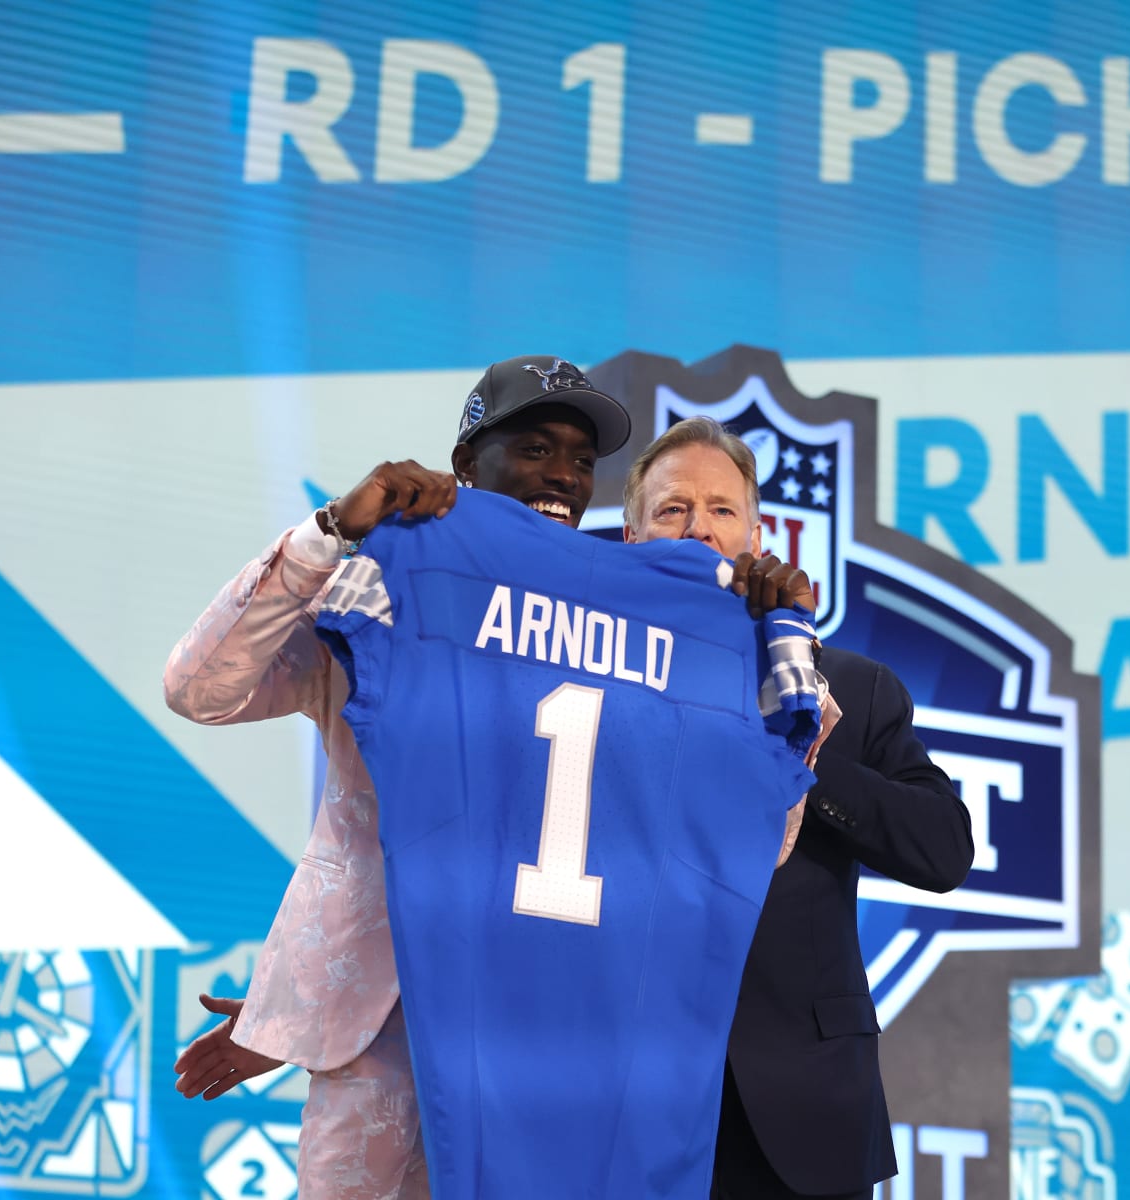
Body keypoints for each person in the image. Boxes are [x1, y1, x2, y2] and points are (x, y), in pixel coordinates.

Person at [166, 358, 815, 1200]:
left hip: (550, 1028)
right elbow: (200, 689)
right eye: (535, 449)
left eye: (582, 460)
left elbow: (757, 843)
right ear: (466, 464)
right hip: (382, 1020)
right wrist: (327, 531)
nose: (563, 476)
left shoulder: (645, 642)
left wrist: (774, 652)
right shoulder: (399, 581)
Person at [620, 417, 975, 1200]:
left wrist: (792, 744)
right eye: (673, 508)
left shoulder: (853, 687)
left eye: (720, 509)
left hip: (804, 1115)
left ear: (755, 537)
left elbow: (944, 850)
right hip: (623, 1104)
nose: (698, 528)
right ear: (631, 537)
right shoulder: (586, 681)